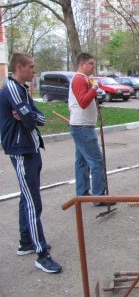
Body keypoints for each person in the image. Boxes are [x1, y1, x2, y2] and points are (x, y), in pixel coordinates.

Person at [0, 53, 62, 273]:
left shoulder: (23, 90)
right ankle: (41, 253)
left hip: (31, 148)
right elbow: (28, 122)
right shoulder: (12, 90)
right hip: (21, 150)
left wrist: (29, 115)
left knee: (27, 197)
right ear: (19, 67)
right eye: (32, 67)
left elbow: (40, 119)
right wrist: (29, 116)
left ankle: (25, 241)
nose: (35, 72)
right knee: (32, 202)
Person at [68, 52, 115, 206]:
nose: (93, 66)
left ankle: (82, 194)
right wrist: (94, 88)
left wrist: (92, 87)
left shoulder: (82, 79)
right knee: (96, 161)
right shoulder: (78, 79)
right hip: (82, 127)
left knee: (82, 162)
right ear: (81, 64)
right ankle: (99, 197)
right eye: (90, 63)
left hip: (81, 125)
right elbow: (83, 102)